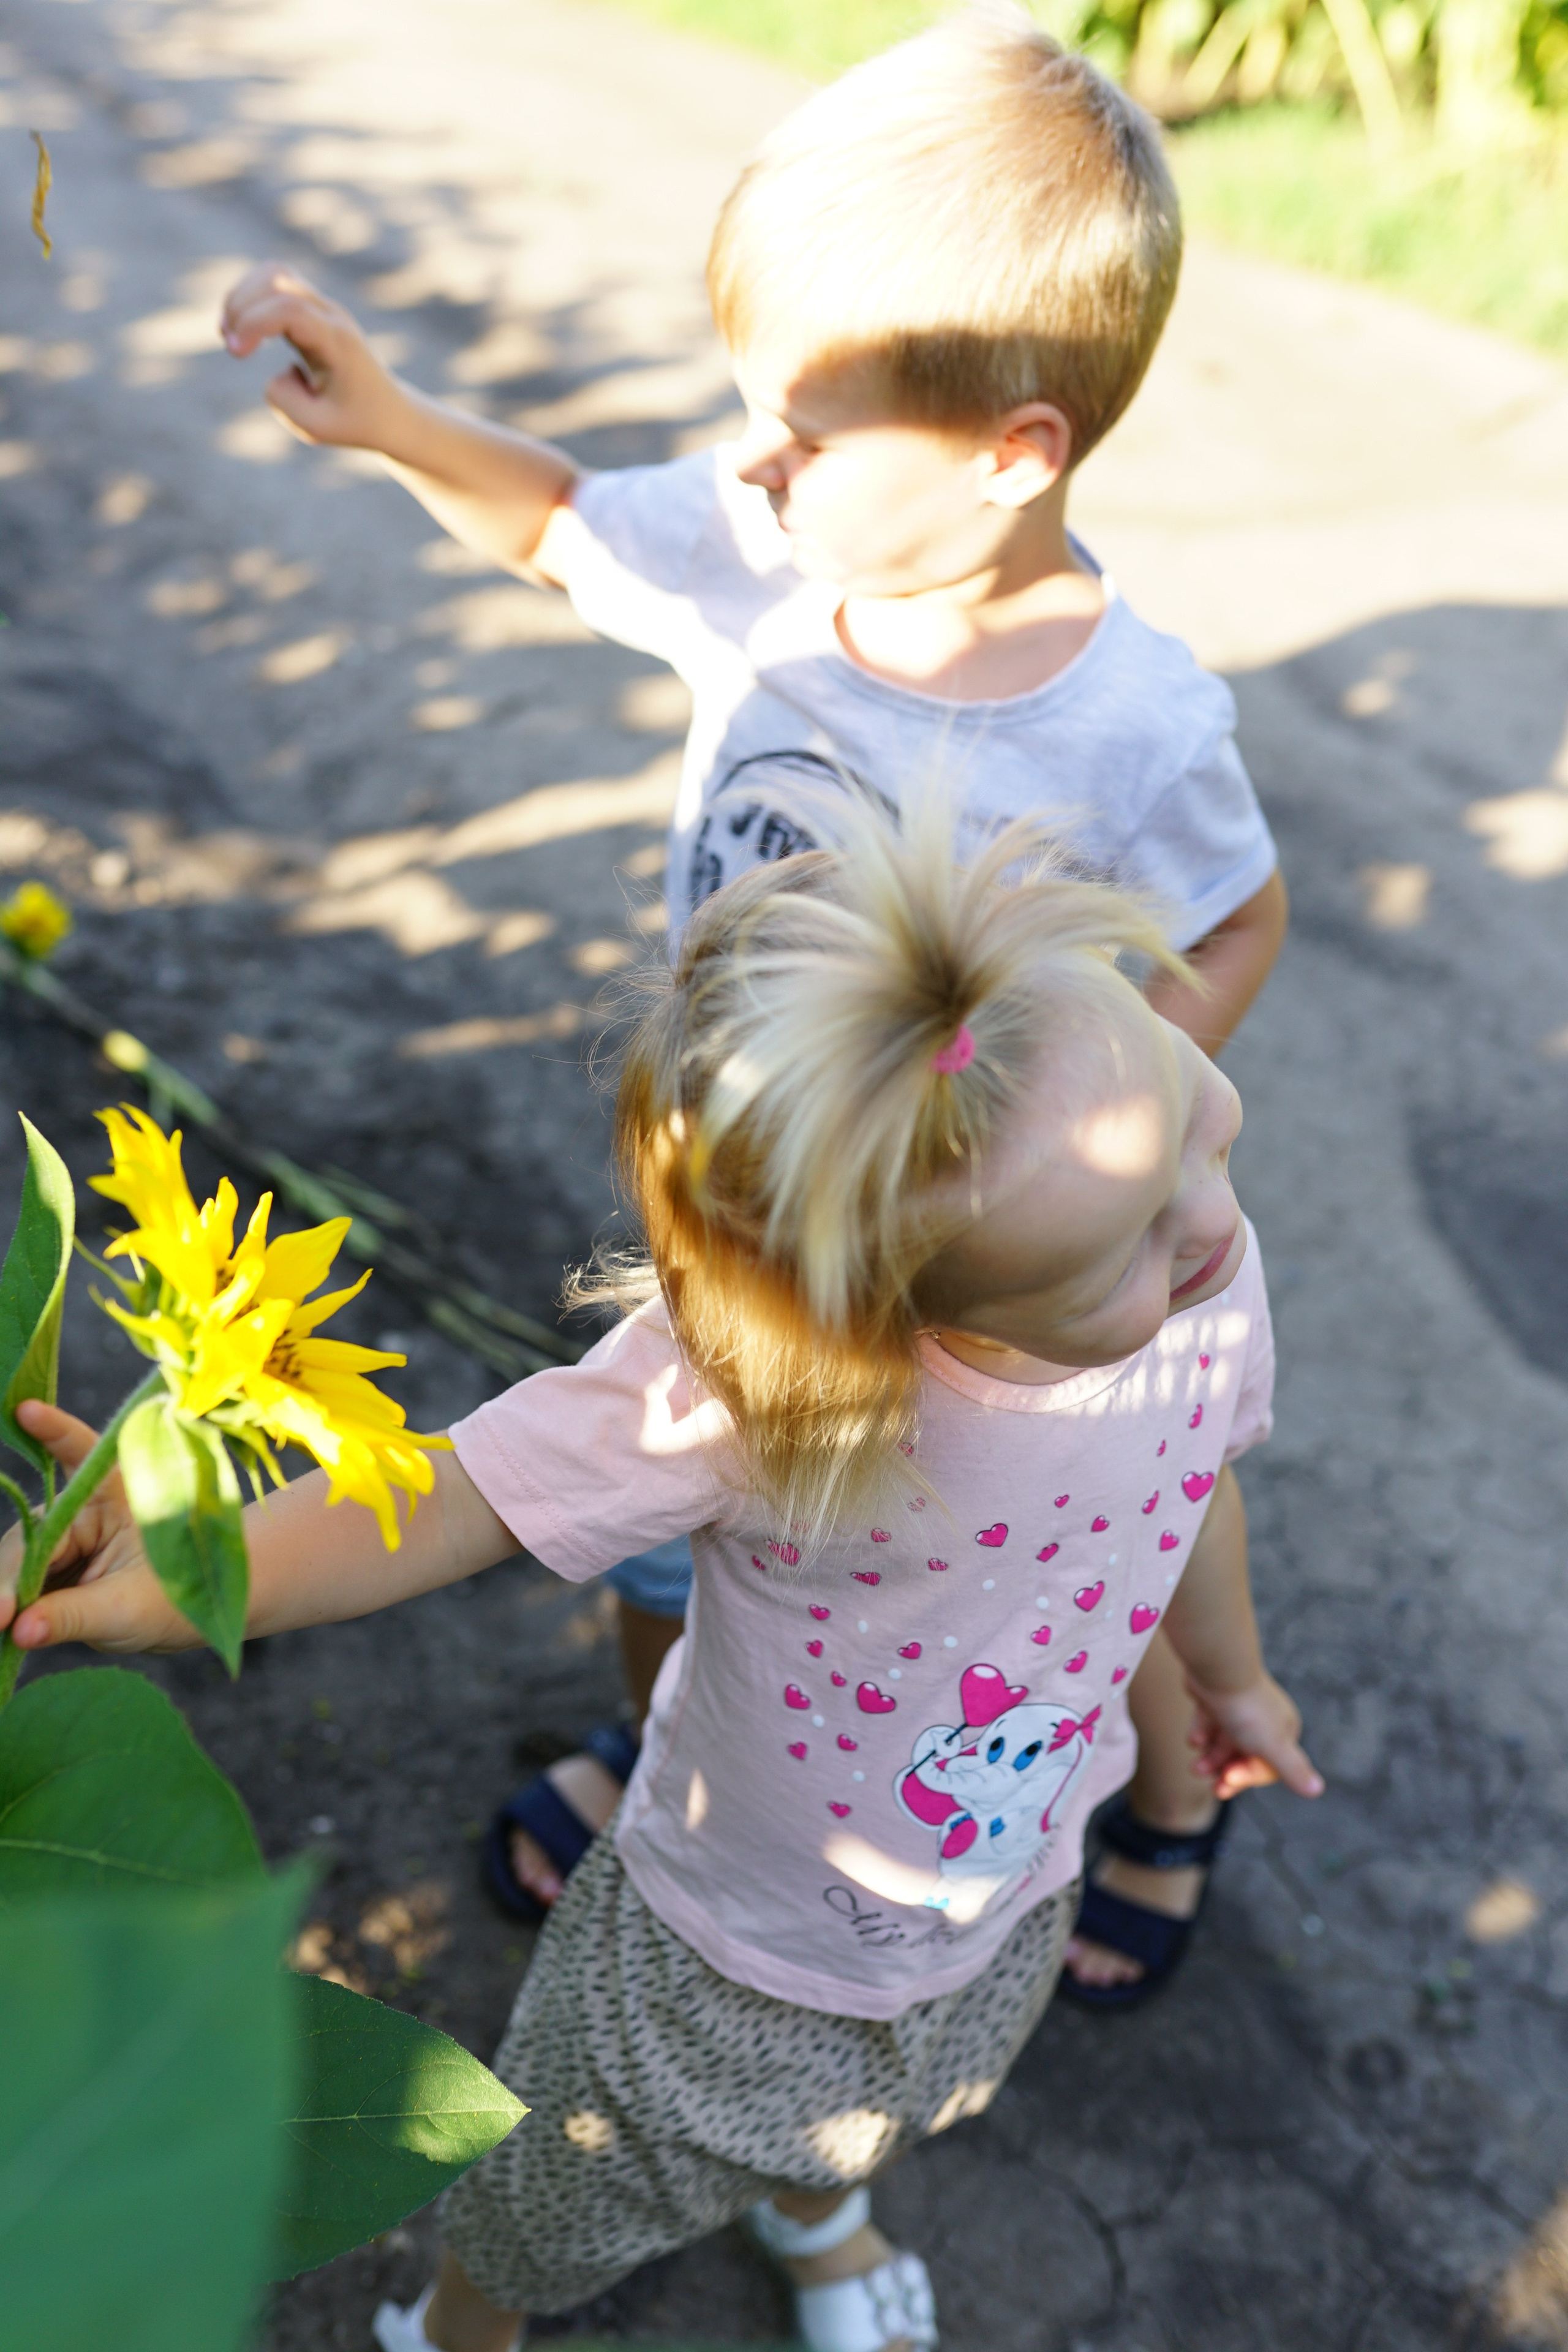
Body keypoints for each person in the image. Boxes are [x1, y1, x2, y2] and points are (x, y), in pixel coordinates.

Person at [214, 2, 1290, 1997]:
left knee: (1092, 1551)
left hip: (1018, 1285)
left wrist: (1072, 1151)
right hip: (759, 1232)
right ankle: (674, 1746)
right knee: (671, 1500)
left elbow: (1238, 925)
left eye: (801, 426)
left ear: (1008, 456)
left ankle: (1166, 1786)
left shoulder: (1131, 719)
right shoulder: (762, 560)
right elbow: (551, 521)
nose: (749, 459)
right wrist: (392, 418)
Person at [2, 796, 1321, 2352]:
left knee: (906, 2091)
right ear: (861, 1304)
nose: (1212, 1227)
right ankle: (458, 2325)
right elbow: (450, 1500)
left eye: (1198, 1117)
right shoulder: (777, 1395)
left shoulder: (1191, 1280)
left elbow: (1186, 1490)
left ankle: (811, 2192)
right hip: (728, 1949)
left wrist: (1228, 1676)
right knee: (573, 2193)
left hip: (1011, 1869)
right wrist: (189, 1570)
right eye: (1121, 1249)